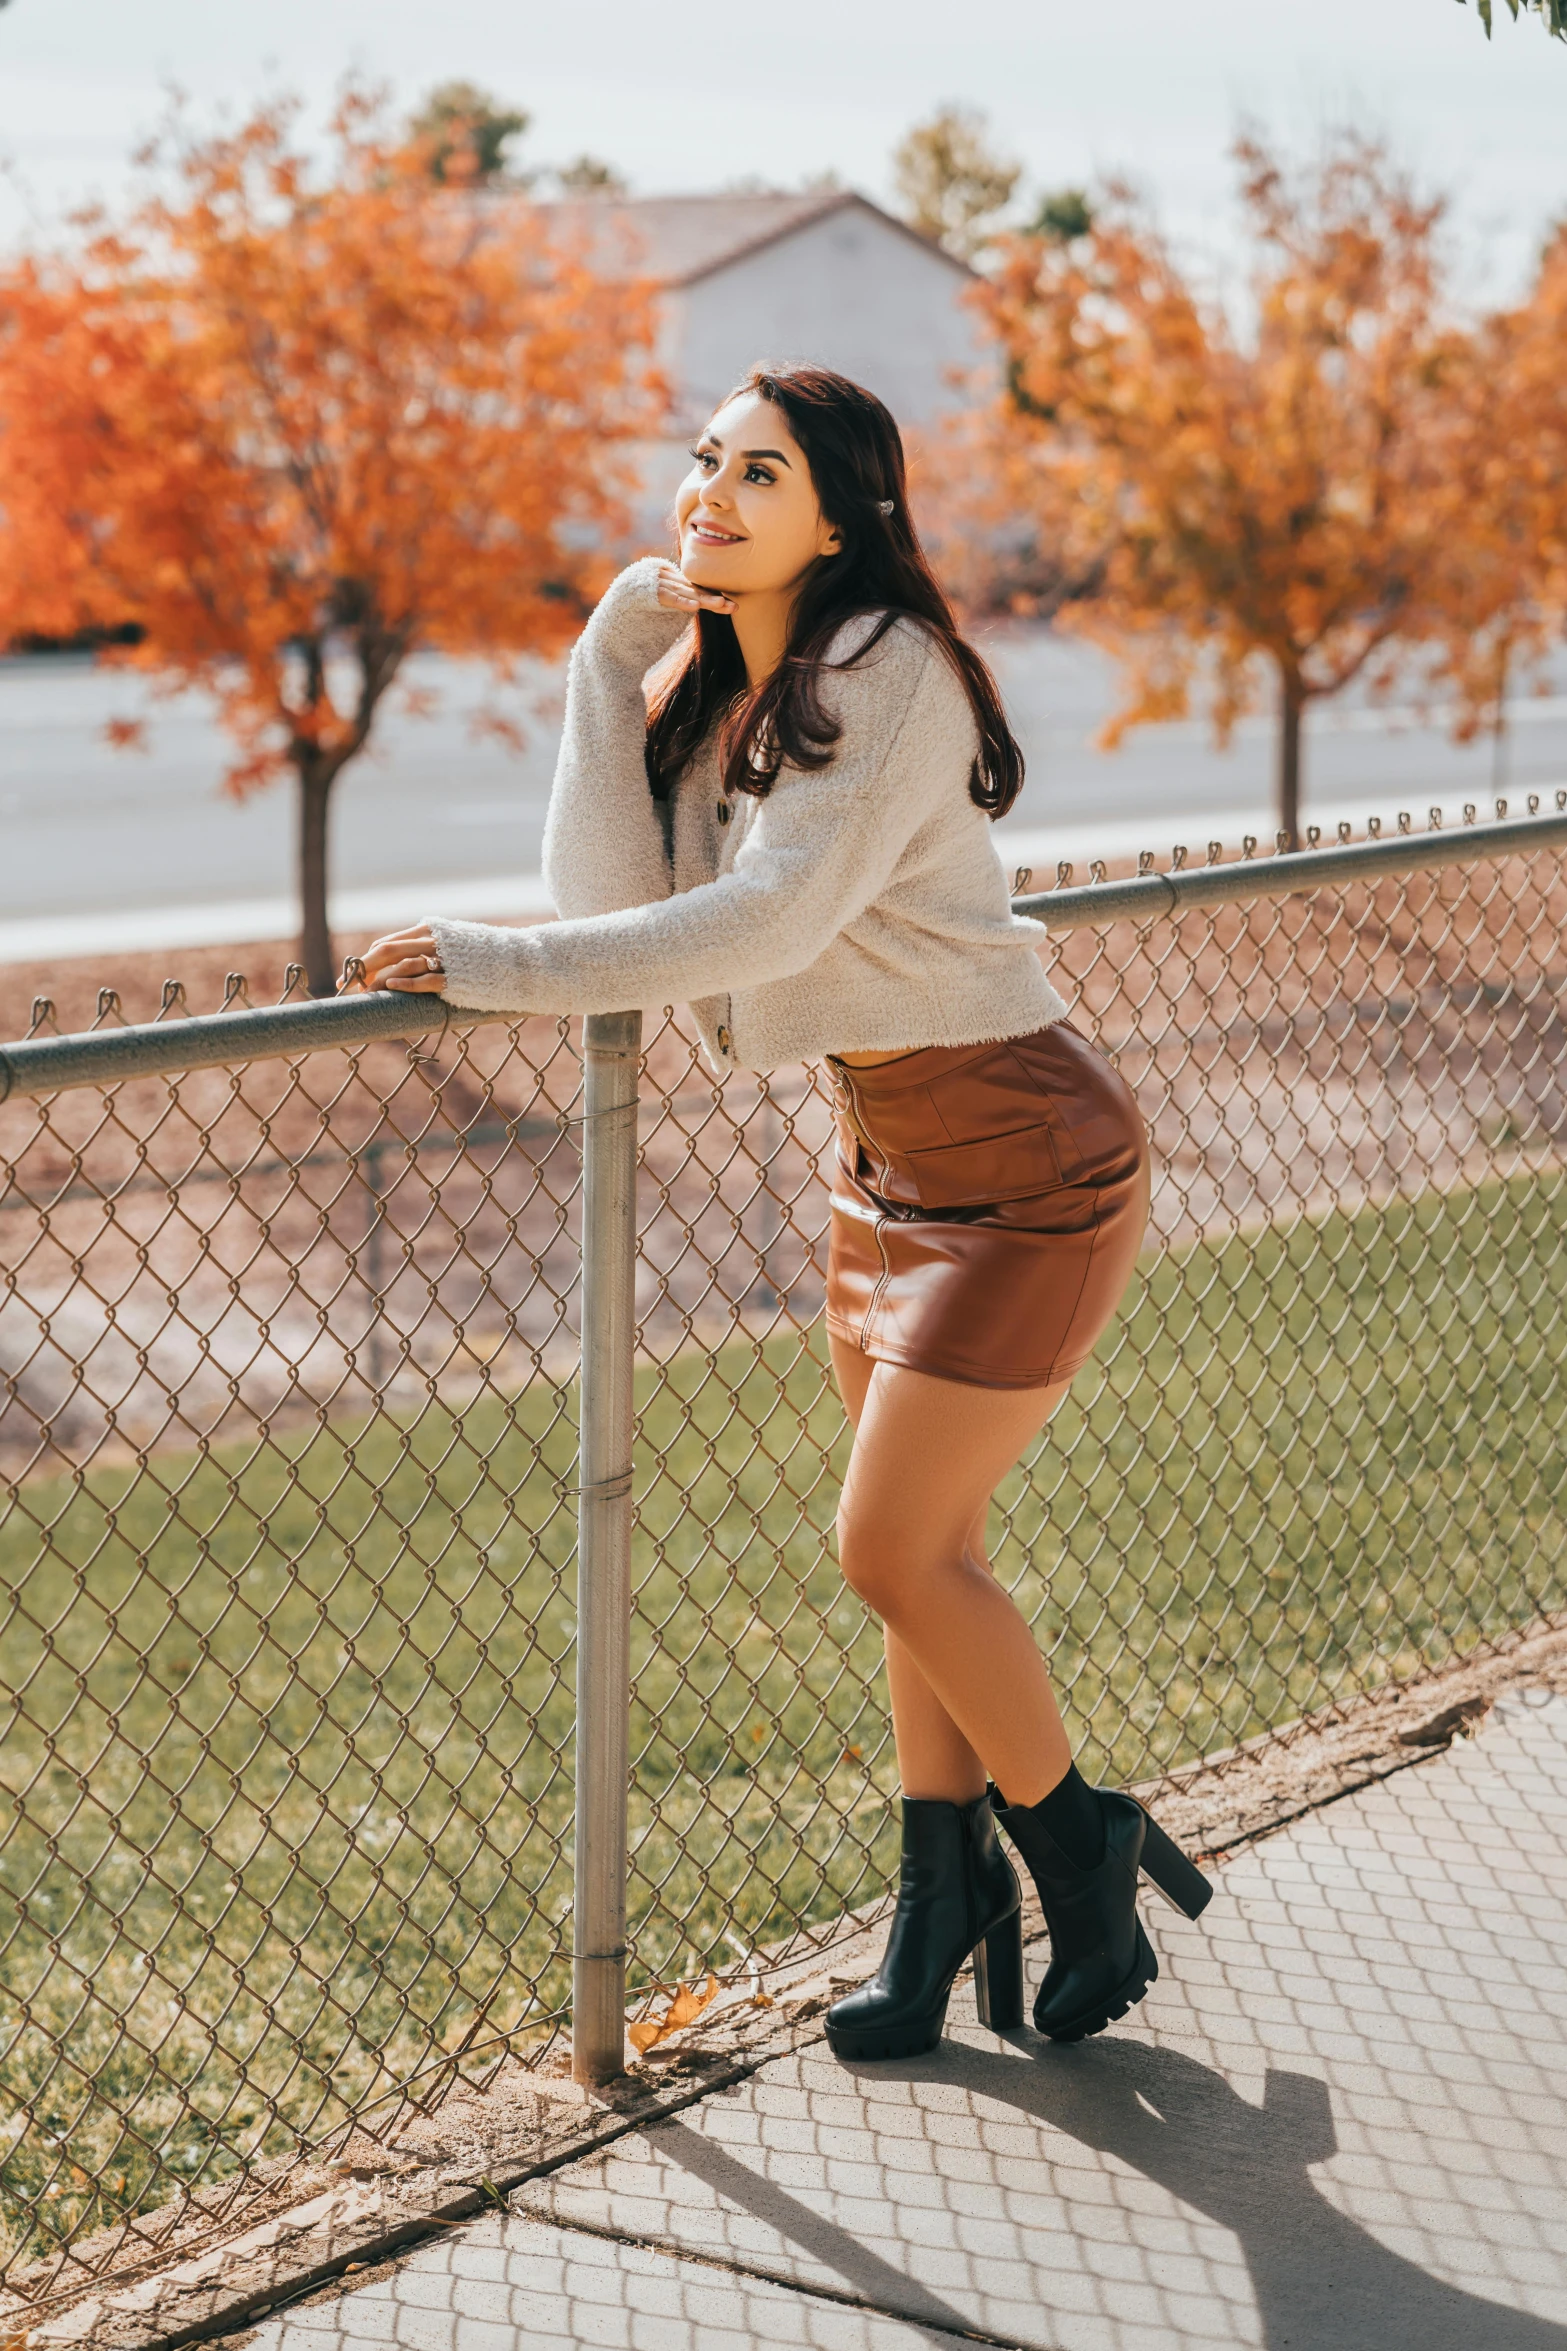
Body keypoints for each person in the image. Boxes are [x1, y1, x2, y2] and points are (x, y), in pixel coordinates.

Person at [360, 362, 1212, 2063]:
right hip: (880, 1161)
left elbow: (758, 923)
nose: (710, 493)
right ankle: (938, 1901)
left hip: (1026, 1161)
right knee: (924, 1572)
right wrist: (610, 665)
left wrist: (491, 973)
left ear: (844, 513)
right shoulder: (720, 677)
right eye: (700, 463)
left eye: (760, 472)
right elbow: (610, 896)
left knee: (886, 1547)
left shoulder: (884, 670)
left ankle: (1080, 1845)